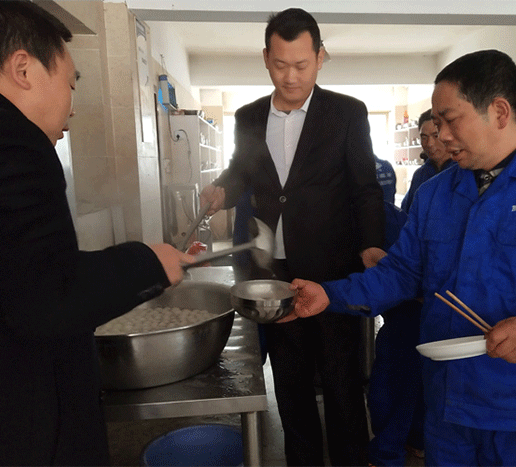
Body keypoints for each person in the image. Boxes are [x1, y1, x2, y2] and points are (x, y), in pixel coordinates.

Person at [287, 49, 516, 466]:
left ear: (499, 112)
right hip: (449, 403)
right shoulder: (435, 194)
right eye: (437, 124)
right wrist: (329, 295)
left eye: (450, 120)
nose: (440, 136)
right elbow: (401, 273)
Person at [0, 2, 193, 465]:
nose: (73, 107)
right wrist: (149, 262)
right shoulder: (3, 139)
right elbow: (47, 296)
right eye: (69, 84)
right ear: (23, 68)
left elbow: (6, 271)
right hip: (7, 425)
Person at [199, 8, 385, 466]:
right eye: (280, 64)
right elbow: (241, 171)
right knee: (290, 380)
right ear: (266, 58)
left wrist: (372, 245)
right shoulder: (248, 117)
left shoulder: (346, 113)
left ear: (320, 57)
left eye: (301, 65)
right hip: (273, 276)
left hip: (333, 273)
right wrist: (221, 190)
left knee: (342, 383)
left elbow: (365, 187)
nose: (290, 76)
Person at [366, 202, 425, 466]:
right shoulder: (430, 192)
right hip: (412, 298)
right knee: (415, 373)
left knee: (394, 375)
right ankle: (416, 439)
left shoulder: (377, 215)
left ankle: (386, 454)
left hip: (413, 302)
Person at [400, 109, 455, 213]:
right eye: (424, 137)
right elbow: (408, 212)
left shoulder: (463, 172)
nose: (429, 143)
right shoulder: (420, 175)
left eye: (436, 136)